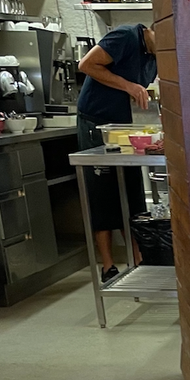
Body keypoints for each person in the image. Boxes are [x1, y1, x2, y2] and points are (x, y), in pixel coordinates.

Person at [76, 24, 158, 283]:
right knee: (102, 194)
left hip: (125, 127)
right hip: (97, 123)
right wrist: (128, 86)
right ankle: (108, 266)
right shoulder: (125, 36)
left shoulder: (153, 55)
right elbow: (86, 65)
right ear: (153, 29)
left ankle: (138, 260)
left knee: (131, 192)